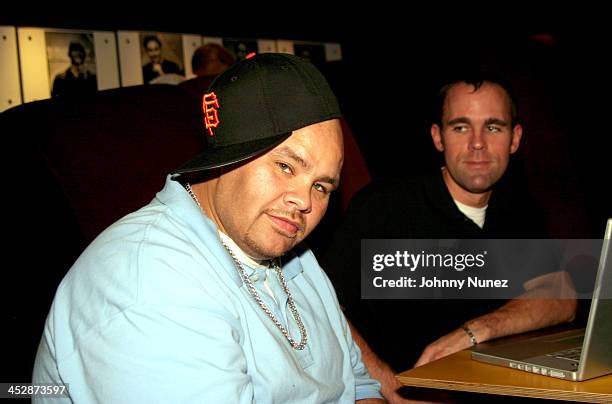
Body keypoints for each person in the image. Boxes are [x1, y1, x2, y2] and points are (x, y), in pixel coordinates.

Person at [33, 53, 383, 403]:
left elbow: (358, 387)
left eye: (321, 186)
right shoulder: (148, 283)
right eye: (286, 167)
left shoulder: (294, 255)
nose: (304, 201)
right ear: (229, 155)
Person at [321, 68, 577, 402]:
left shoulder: (520, 210)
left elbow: (562, 296)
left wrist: (474, 332)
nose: (477, 144)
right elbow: (324, 306)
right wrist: (390, 388)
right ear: (437, 137)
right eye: (460, 127)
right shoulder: (384, 207)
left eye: (493, 126)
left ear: (515, 139)